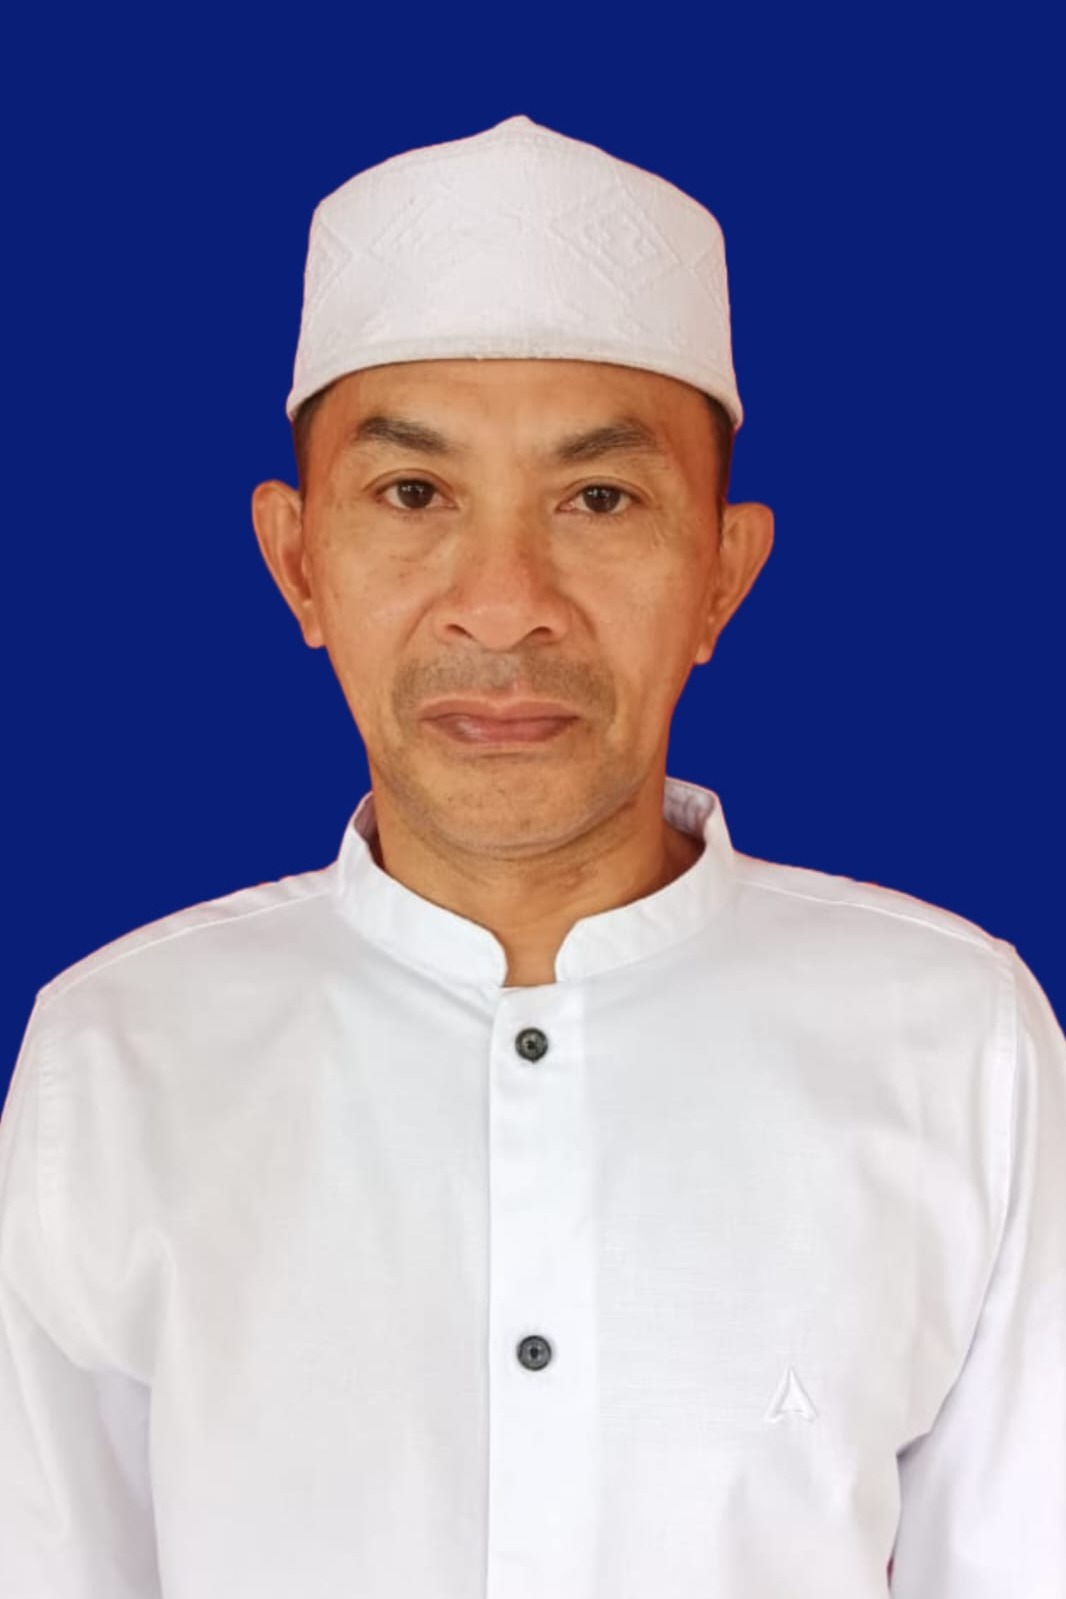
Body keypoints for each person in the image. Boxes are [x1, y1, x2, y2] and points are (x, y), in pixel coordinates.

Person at [0, 113, 1062, 1599]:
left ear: (722, 573)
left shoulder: (955, 1044)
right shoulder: (119, 1057)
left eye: (599, 500)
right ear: (298, 562)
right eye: (413, 495)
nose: (503, 605)